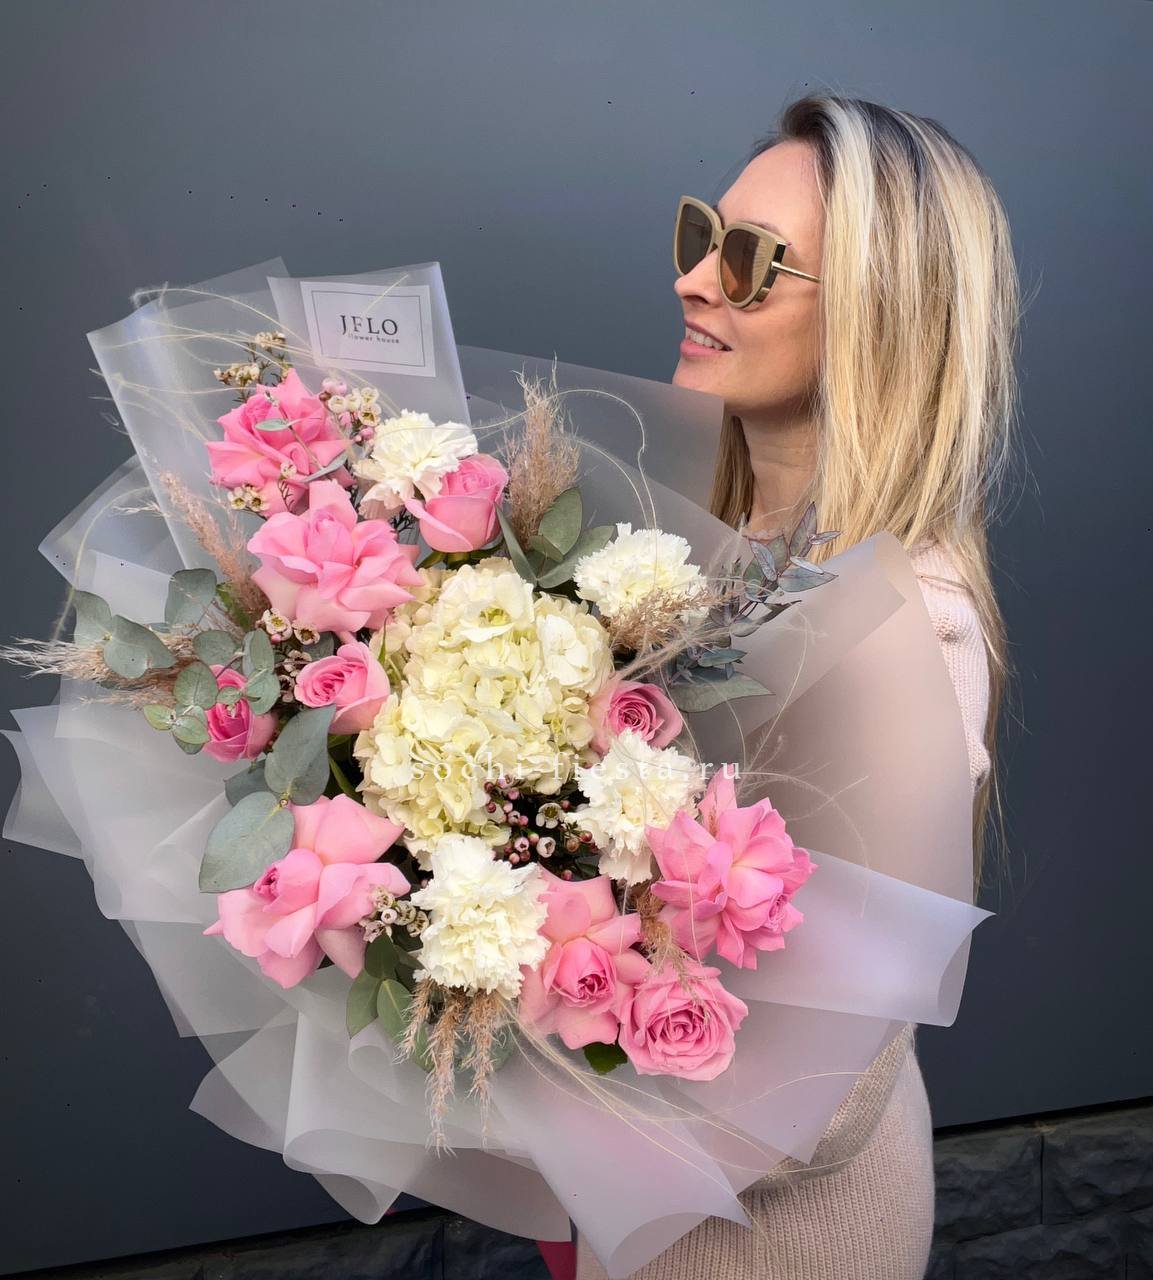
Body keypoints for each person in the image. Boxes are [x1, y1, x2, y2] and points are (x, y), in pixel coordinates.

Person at [574, 92, 1019, 1280]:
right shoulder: (700, 556)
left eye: (751, 260)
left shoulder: (910, 627)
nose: (691, 280)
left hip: (765, 1246)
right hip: (631, 1204)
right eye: (699, 236)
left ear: (881, 311)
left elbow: (822, 1100)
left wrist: (522, 1006)